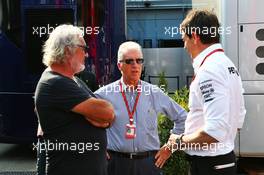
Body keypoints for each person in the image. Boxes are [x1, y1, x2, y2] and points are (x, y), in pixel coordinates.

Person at [167, 9, 246, 175]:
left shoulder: (209, 70)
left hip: (209, 166)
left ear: (195, 36)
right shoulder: (227, 65)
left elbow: (214, 131)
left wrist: (179, 141)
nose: (184, 46)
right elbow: (237, 122)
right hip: (220, 163)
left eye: (184, 40)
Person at [94, 41, 187, 175]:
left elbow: (183, 117)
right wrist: (98, 146)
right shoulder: (103, 94)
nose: (135, 66)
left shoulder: (153, 92)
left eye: (139, 61)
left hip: (148, 164)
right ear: (120, 65)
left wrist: (170, 147)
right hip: (116, 164)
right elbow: (85, 124)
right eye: (129, 61)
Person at [34, 24, 115, 175]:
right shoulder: (54, 82)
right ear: (67, 50)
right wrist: (98, 117)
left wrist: (99, 118)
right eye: (84, 48)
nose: (87, 54)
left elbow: (108, 117)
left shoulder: (73, 80)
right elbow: (107, 112)